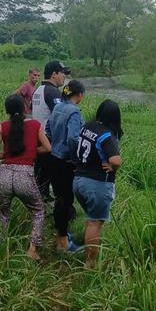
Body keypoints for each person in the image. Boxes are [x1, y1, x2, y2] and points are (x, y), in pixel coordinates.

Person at [0, 93, 51, 260]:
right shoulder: (36, 125)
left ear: (7, 110)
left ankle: (0, 248)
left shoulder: (2, 127)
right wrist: (30, 152)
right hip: (25, 175)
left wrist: (9, 155)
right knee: (38, 211)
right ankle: (32, 250)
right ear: (25, 107)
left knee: (3, 213)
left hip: (4, 174)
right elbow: (47, 148)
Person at [73, 99, 122, 269]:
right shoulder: (107, 135)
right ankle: (90, 263)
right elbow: (116, 160)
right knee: (95, 223)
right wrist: (112, 165)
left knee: (91, 219)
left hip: (79, 182)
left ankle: (86, 248)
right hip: (97, 185)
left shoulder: (88, 126)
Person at [48, 79, 85, 252]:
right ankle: (62, 243)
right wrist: (75, 159)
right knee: (66, 200)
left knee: (59, 198)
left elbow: (48, 130)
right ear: (80, 95)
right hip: (65, 162)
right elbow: (73, 138)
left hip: (53, 159)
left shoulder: (57, 107)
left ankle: (60, 236)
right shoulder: (74, 112)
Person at [32, 59, 71, 202]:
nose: (64, 77)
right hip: (49, 141)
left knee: (41, 175)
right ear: (54, 74)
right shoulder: (53, 92)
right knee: (52, 176)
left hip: (38, 138)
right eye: (62, 74)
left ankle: (40, 201)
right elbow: (62, 117)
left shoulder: (38, 90)